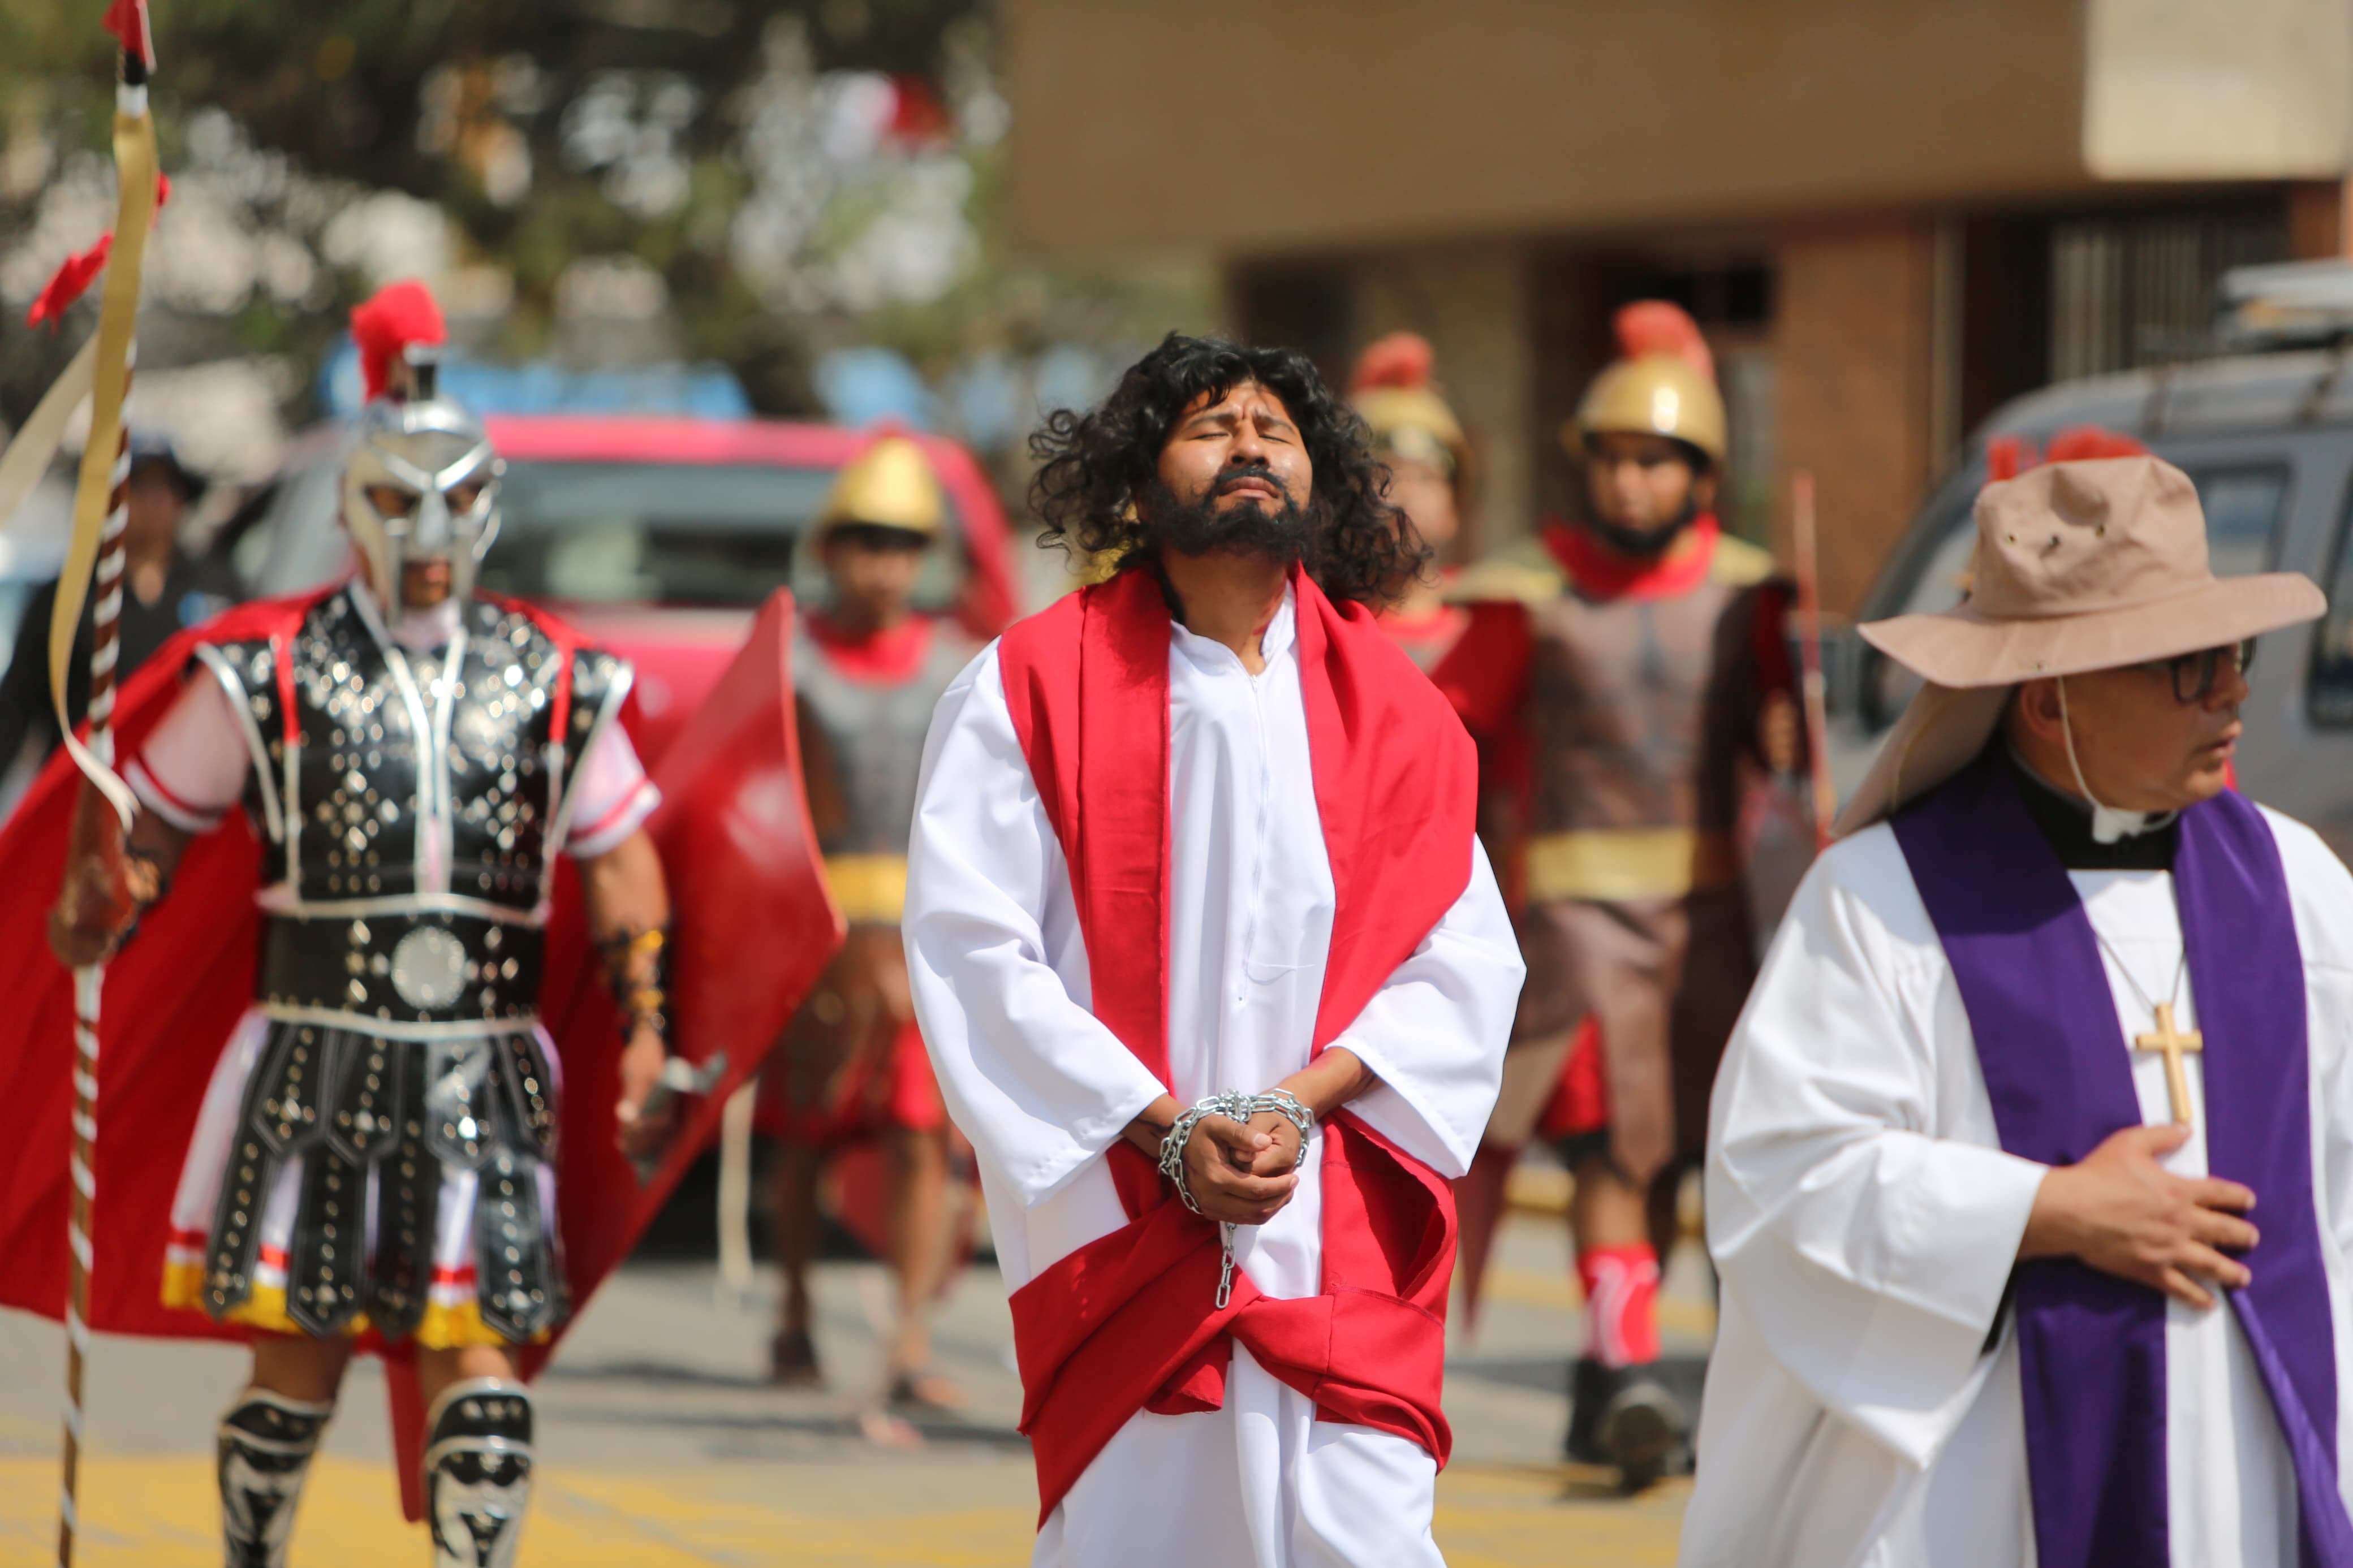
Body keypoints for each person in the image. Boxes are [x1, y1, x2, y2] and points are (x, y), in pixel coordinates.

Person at [42, 291, 679, 1568]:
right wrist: (107, 893)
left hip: (487, 1059)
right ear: (351, 503)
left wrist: (649, 1033)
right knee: (298, 1364)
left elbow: (620, 865)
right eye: (398, 501)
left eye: (455, 499)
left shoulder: (556, 679)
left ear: (490, 499)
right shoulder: (268, 675)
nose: (430, 531)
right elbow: (153, 833)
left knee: (482, 1376)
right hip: (316, 1053)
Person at [903, 333, 1524, 1566]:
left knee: (1370, 1538)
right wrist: (1166, 1132)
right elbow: (976, 950)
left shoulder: (1403, 717)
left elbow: (1463, 963)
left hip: (1331, 1213)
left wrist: (1295, 1108)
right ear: (1136, 484)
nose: (1249, 443)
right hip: (1127, 1219)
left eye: (1275, 430)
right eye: (1210, 425)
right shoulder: (1028, 687)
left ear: (1319, 484)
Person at [1682, 455, 2353, 1567]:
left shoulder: (2299, 889)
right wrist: (2045, 1212)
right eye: (2188, 666)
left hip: (2248, 1480)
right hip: (1986, 1497)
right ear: (2047, 699)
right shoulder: (1880, 902)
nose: (2232, 690)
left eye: (2233, 654)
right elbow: (1780, 1177)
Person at [1431, 299, 1798, 1485]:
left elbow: (1789, 749)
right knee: (1610, 1148)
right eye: (1616, 459)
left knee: (1701, 1151)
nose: (1632, 482)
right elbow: (1437, 741)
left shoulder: (1755, 594)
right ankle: (1630, 1366)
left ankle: (1615, 1392)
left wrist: (1801, 724)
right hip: (1573, 917)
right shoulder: (1519, 593)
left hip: (1711, 918)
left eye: (1657, 460)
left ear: (1699, 474)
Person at [767, 432, 972, 1407]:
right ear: (832, 546)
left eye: (903, 541)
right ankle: (795, 1312)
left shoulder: (962, 661)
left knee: (921, 1134)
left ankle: (912, 1337)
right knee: (803, 1130)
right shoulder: (787, 658)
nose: (885, 561)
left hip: (928, 933)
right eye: (866, 539)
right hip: (822, 932)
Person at [0, 430, 242, 780]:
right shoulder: (69, 597)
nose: (155, 504)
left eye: (166, 490)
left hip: (185, 791)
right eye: (139, 489)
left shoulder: (219, 585)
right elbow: (14, 712)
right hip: (88, 789)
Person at [1349, 332, 1471, 669]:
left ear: (1454, 509)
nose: (1405, 495)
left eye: (1426, 478)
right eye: (1386, 475)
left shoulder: (1484, 622)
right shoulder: (1319, 619)